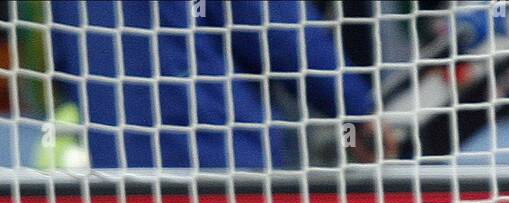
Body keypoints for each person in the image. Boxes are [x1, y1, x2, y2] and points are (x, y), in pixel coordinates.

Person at [47, 1, 388, 170]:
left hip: (115, 178)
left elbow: (63, 60)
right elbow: (280, 30)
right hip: (221, 165)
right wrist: (358, 110)